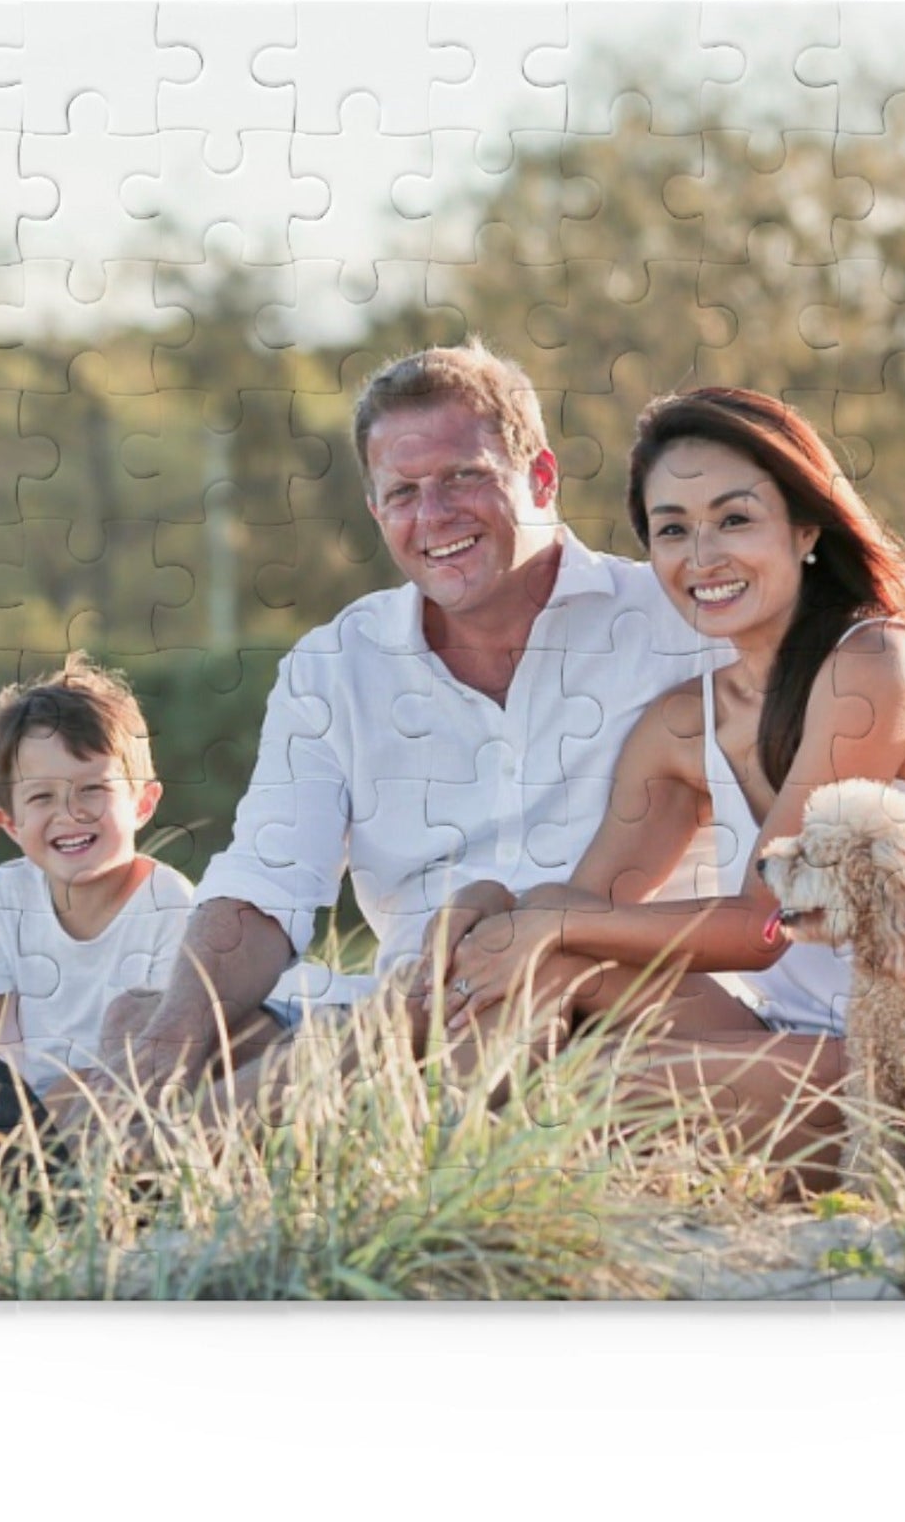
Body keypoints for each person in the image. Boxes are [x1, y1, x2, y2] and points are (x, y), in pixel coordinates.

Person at [428, 387, 905, 1160]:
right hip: (794, 1036)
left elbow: (763, 924)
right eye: (673, 530)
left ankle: (463, 1156)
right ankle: (437, 1152)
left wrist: (549, 922)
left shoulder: (876, 667)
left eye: (734, 519)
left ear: (805, 528)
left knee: (587, 1086)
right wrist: (499, 911)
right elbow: (588, 905)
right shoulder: (683, 724)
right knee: (548, 952)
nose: (703, 557)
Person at [100, 339, 723, 1097]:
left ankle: (170, 1146)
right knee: (151, 1019)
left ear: (542, 478)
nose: (434, 515)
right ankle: (102, 1145)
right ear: (375, 510)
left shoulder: (683, 623)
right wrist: (176, 1032)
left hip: (608, 1004)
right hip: (409, 1011)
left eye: (465, 477)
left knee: (272, 1060)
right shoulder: (337, 665)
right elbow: (266, 881)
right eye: (403, 493)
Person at [0, 654, 196, 1100]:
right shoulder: (8, 894)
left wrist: (61, 1101)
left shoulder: (170, 905)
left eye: (92, 789)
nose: (70, 813)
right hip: (24, 1117)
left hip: (123, 1109)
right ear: (10, 824)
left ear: (143, 803)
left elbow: (162, 1064)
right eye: (41, 797)